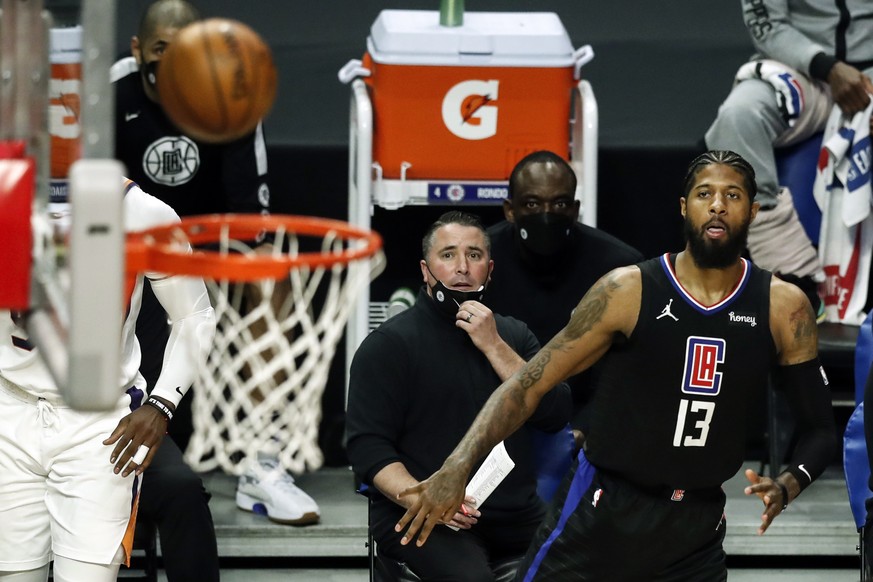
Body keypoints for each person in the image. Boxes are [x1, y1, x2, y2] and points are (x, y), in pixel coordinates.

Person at [393, 151, 838, 581]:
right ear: (684, 207)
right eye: (705, 194)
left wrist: (788, 484)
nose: (718, 205)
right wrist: (456, 467)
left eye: (733, 195)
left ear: (754, 210)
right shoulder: (628, 289)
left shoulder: (785, 307)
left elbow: (819, 427)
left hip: (696, 525)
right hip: (604, 509)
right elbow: (526, 386)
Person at [112, 0, 320, 545]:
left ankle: (262, 462)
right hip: (127, 252)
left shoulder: (230, 97)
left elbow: (253, 223)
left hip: (206, 251)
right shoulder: (107, 94)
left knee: (271, 271)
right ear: (138, 52)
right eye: (162, 49)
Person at [0, 178, 215, 582]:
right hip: (9, 405)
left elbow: (195, 316)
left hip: (100, 424)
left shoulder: (142, 212)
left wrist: (162, 402)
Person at [345, 210, 572, 580]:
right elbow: (368, 449)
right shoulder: (388, 345)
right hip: (419, 512)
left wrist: (493, 345)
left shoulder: (514, 336)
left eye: (475, 255)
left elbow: (556, 412)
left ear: (490, 268)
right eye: (448, 255)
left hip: (514, 513)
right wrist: (426, 499)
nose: (462, 267)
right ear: (425, 269)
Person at [704, 0, 873, 317]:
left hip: (870, 74)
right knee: (737, 117)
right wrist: (829, 68)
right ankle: (794, 275)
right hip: (801, 70)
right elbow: (768, 25)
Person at [486, 150, 644, 431]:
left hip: (586, 423)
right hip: (495, 417)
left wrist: (586, 430)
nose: (546, 215)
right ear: (510, 210)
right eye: (532, 204)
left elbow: (631, 366)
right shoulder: (481, 261)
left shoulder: (619, 267)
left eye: (559, 203)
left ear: (574, 208)